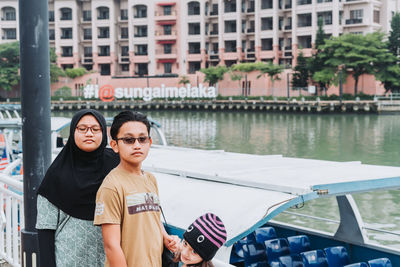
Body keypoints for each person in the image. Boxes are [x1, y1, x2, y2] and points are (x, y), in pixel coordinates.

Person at [36, 109, 120, 267]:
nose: (89, 133)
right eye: (82, 129)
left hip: (111, 260)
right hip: (69, 259)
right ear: (73, 132)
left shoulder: (117, 166)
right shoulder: (56, 175)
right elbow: (45, 230)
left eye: (95, 129)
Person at [94, 110, 176, 267]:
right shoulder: (112, 186)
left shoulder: (150, 179)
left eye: (142, 139)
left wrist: (165, 237)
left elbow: (152, 217)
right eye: (129, 140)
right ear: (114, 145)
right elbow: (111, 246)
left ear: (149, 143)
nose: (137, 145)